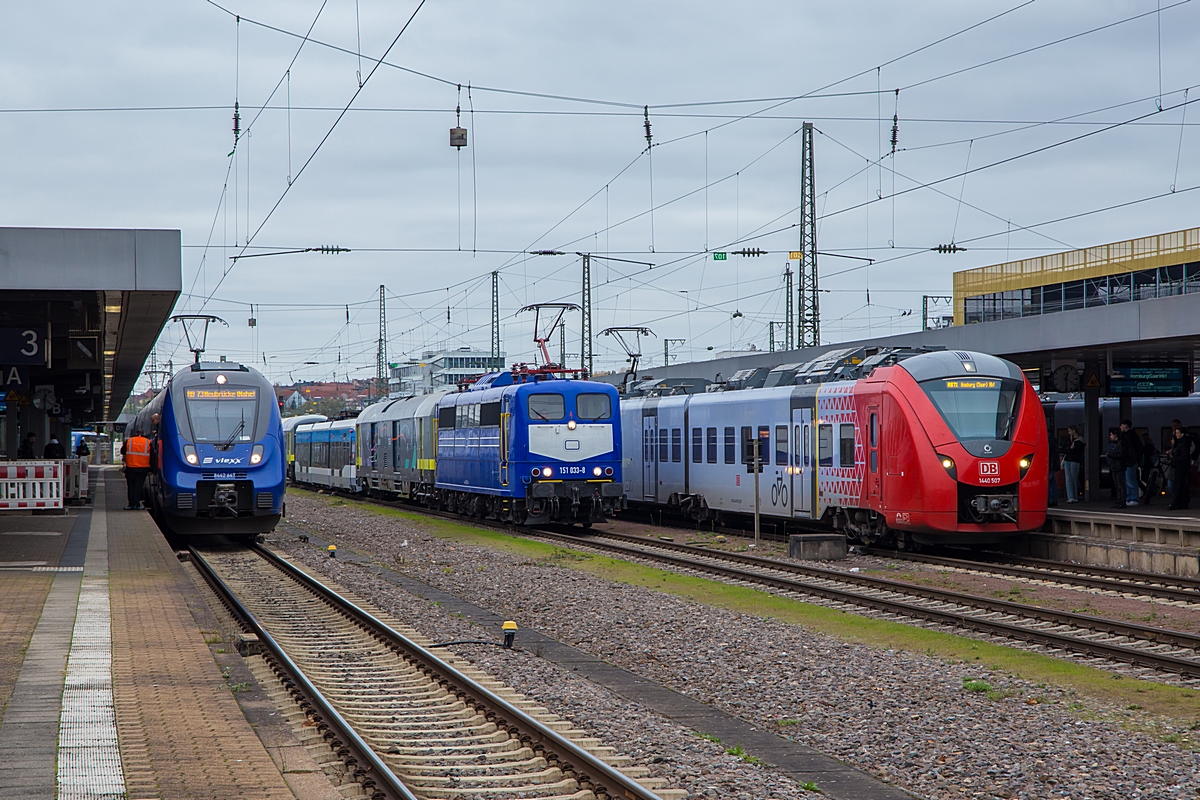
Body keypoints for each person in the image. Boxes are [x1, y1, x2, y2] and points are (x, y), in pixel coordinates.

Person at [122, 430, 151, 510]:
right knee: (138, 486)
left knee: (131, 486)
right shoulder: (148, 442)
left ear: (135, 434)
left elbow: (122, 451)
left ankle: (130, 504)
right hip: (143, 468)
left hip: (130, 468)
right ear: (143, 434)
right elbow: (152, 455)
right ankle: (136, 505)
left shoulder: (129, 441)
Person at [1168, 427, 1192, 511]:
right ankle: (1182, 502)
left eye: (1178, 433)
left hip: (1180, 467)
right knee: (1181, 485)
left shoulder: (1183, 444)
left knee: (1178, 485)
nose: (1176, 435)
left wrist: (1175, 459)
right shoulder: (1180, 443)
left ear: (1182, 434)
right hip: (1180, 467)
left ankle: (1176, 503)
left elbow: (1185, 456)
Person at [1118, 420, 1141, 507]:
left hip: (1130, 461)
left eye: (1122, 425)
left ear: (1125, 426)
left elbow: (1131, 450)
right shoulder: (1129, 436)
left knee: (1130, 480)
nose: (1120, 427)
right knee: (1127, 481)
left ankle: (1133, 498)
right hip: (1128, 461)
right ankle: (1129, 498)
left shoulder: (1130, 437)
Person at [1106, 429, 1128, 509]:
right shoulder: (1115, 444)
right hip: (1115, 466)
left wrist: (1111, 455)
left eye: (1111, 435)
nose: (1110, 437)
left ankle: (1122, 502)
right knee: (1117, 485)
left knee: (1120, 485)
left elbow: (1121, 455)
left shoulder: (1121, 443)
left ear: (1115, 435)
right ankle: (1119, 501)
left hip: (1119, 466)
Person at [1062, 426, 1084, 504]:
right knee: (1069, 479)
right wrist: (1070, 449)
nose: (1069, 433)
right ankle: (1071, 496)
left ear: (1074, 431)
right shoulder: (1070, 440)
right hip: (1069, 460)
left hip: (1074, 460)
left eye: (1070, 431)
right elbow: (1063, 449)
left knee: (1072, 479)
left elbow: (1079, 452)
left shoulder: (1079, 441)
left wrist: (1070, 449)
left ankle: (1073, 496)